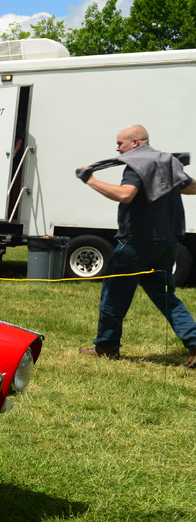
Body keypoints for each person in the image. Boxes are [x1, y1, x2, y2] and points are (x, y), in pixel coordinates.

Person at [77, 124, 196, 367]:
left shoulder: (137, 165)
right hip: (167, 245)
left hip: (137, 245)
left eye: (120, 143)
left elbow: (125, 195)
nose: (117, 148)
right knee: (166, 297)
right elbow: (192, 187)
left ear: (135, 143)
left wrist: (90, 179)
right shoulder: (168, 161)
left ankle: (107, 347)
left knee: (113, 296)